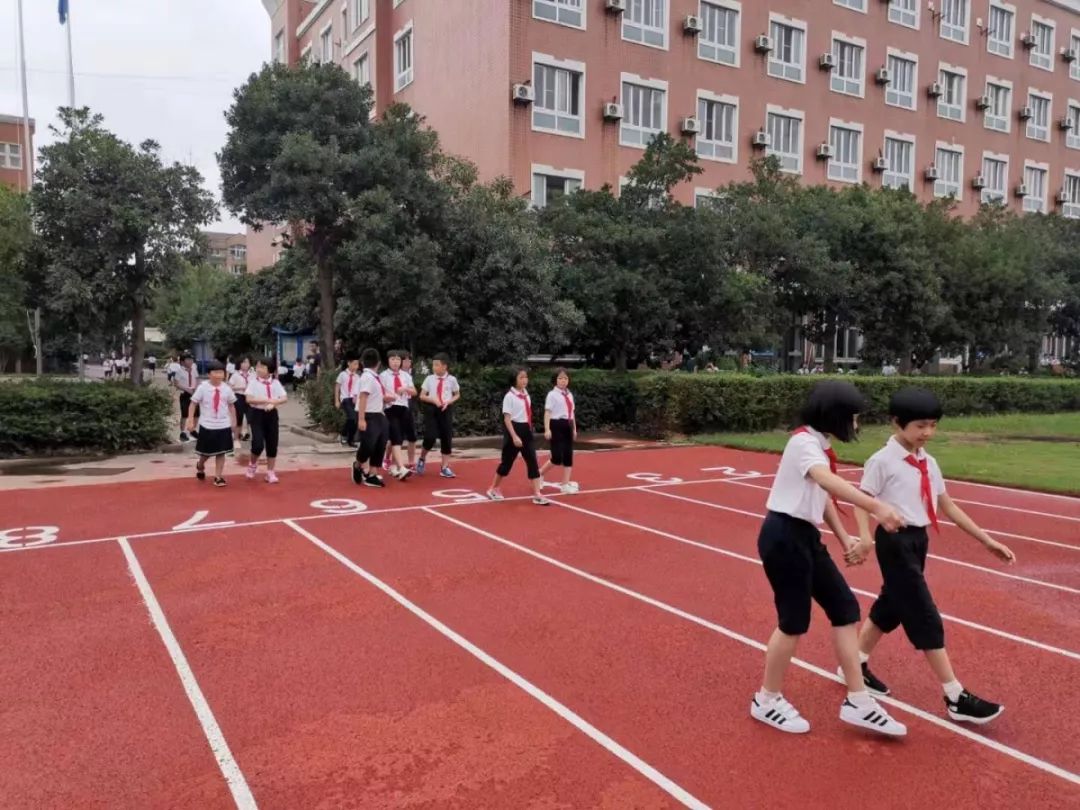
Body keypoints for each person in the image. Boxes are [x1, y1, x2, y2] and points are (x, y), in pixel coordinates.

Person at [847, 388, 1015, 724]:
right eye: (920, 425)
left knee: (890, 606)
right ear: (898, 423)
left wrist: (986, 540)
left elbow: (947, 505)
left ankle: (854, 663)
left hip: (918, 540)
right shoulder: (882, 461)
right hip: (894, 542)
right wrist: (865, 537)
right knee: (923, 612)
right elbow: (861, 500)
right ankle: (954, 695)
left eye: (933, 426)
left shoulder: (928, 462)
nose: (927, 433)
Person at [751, 381, 907, 737]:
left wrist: (842, 536)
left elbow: (820, 493)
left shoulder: (818, 445)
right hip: (783, 537)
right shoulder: (804, 443)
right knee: (793, 622)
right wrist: (877, 506)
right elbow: (825, 480)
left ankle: (858, 700)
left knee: (845, 609)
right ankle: (766, 699)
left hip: (804, 535)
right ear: (835, 416)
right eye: (853, 417)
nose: (856, 424)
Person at [486, 368, 549, 506]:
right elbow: (507, 419)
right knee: (507, 463)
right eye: (521, 378)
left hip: (526, 430)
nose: (524, 380)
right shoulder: (509, 396)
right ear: (514, 380)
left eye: (526, 377)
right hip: (513, 430)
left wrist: (528, 431)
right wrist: (514, 436)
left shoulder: (527, 395)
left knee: (533, 461)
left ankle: (537, 494)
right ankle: (493, 488)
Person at [186, 360, 238, 487]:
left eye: (221, 372)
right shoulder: (203, 387)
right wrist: (190, 420)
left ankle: (218, 477)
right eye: (215, 372)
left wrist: (234, 421)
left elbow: (231, 405)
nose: (218, 375)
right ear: (209, 374)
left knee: (222, 451)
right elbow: (193, 403)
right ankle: (200, 465)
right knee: (206, 453)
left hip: (223, 424)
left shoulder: (226, 389)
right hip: (207, 425)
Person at [350, 348, 392, 488]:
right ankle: (358, 465)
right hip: (368, 415)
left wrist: (386, 399)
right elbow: (363, 397)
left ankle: (372, 473)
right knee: (368, 445)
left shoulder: (375, 377)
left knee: (381, 444)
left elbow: (374, 396)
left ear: (362, 362)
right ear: (379, 363)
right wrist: (362, 419)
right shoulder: (367, 377)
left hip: (379, 414)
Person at [245, 357, 288, 484]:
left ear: (269, 370)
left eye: (262, 367)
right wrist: (267, 400)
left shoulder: (275, 383)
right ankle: (252, 464)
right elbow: (249, 399)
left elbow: (284, 397)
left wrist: (275, 402)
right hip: (257, 413)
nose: (258, 369)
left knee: (272, 443)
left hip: (272, 414)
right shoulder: (253, 382)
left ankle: (270, 472)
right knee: (258, 443)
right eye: (257, 366)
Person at [417, 353, 460, 478]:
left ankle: (445, 467)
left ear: (444, 366)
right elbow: (422, 395)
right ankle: (422, 458)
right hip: (432, 409)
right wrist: (433, 400)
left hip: (446, 409)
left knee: (446, 437)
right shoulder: (429, 379)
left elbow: (457, 394)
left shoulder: (452, 379)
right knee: (430, 437)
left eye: (437, 365)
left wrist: (449, 401)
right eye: (433, 365)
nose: (434, 367)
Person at [539, 368, 578, 495]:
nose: (563, 381)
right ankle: (539, 474)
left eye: (565, 378)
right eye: (560, 378)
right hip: (556, 424)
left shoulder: (570, 394)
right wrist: (547, 428)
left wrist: (574, 429)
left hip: (568, 424)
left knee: (568, 455)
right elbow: (548, 412)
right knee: (556, 457)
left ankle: (565, 484)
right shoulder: (552, 395)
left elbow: (572, 412)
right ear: (555, 380)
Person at [380, 349, 417, 479]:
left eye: (398, 360)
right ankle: (401, 467)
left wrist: (405, 389)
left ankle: (394, 467)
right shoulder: (383, 376)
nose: (395, 362)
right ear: (388, 361)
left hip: (404, 408)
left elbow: (414, 392)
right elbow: (380, 394)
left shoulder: (406, 376)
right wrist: (388, 397)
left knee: (400, 437)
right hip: (390, 408)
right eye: (392, 360)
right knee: (396, 436)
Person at [335, 354, 361, 447]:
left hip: (354, 400)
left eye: (357, 364)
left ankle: (349, 438)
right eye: (354, 364)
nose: (356, 366)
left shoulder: (358, 377)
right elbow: (337, 388)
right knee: (352, 418)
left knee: (354, 420)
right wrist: (337, 401)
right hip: (345, 399)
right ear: (349, 363)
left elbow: (359, 389)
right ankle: (345, 435)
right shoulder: (342, 374)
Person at [173, 354, 199, 442]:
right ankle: (183, 432)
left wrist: (197, 388)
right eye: (188, 359)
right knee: (185, 414)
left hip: (194, 393)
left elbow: (197, 379)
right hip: (185, 394)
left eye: (191, 359)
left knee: (196, 414)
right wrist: (187, 389)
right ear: (182, 362)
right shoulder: (179, 371)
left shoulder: (194, 370)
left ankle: (192, 430)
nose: (190, 361)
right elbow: (176, 383)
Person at [228, 357, 254, 442]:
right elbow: (230, 387)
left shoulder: (253, 374)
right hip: (239, 397)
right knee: (239, 417)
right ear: (239, 364)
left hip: (250, 397)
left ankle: (248, 434)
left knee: (251, 416)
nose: (245, 364)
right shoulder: (235, 375)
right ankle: (236, 437)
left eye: (247, 362)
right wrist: (241, 388)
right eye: (243, 362)